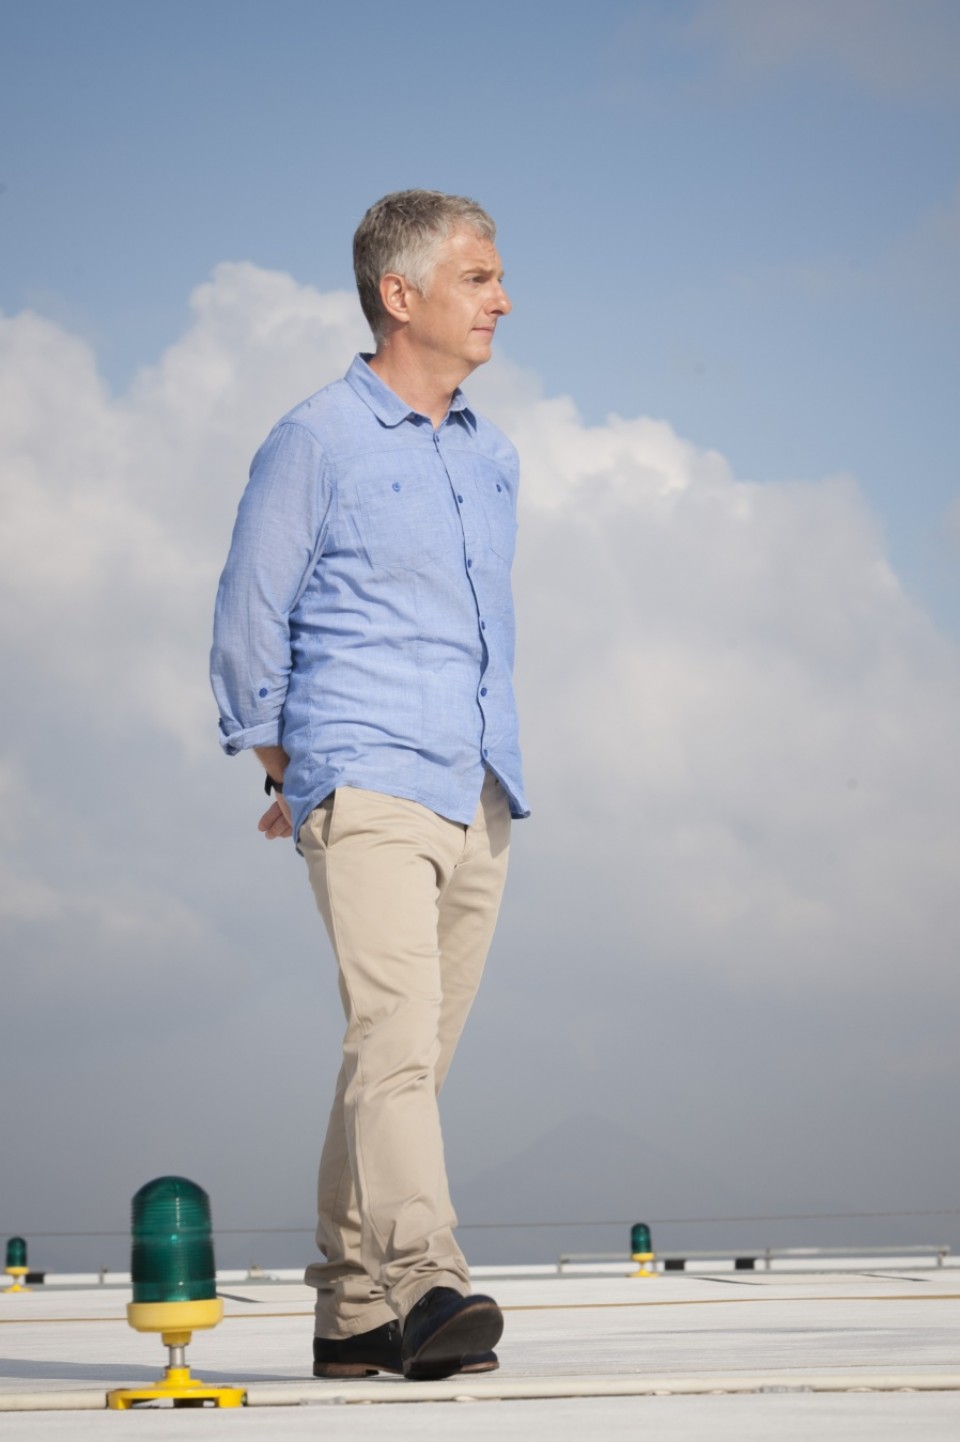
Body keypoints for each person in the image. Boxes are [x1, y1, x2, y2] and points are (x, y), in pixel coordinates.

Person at [210, 190, 528, 1381]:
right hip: (366, 777)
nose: (503, 299)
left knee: (410, 1059)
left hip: (478, 785)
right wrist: (291, 763)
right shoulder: (316, 439)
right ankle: (428, 1279)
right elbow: (248, 615)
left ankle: (351, 1311)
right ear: (401, 295)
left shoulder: (491, 455)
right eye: (479, 277)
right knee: (391, 1036)